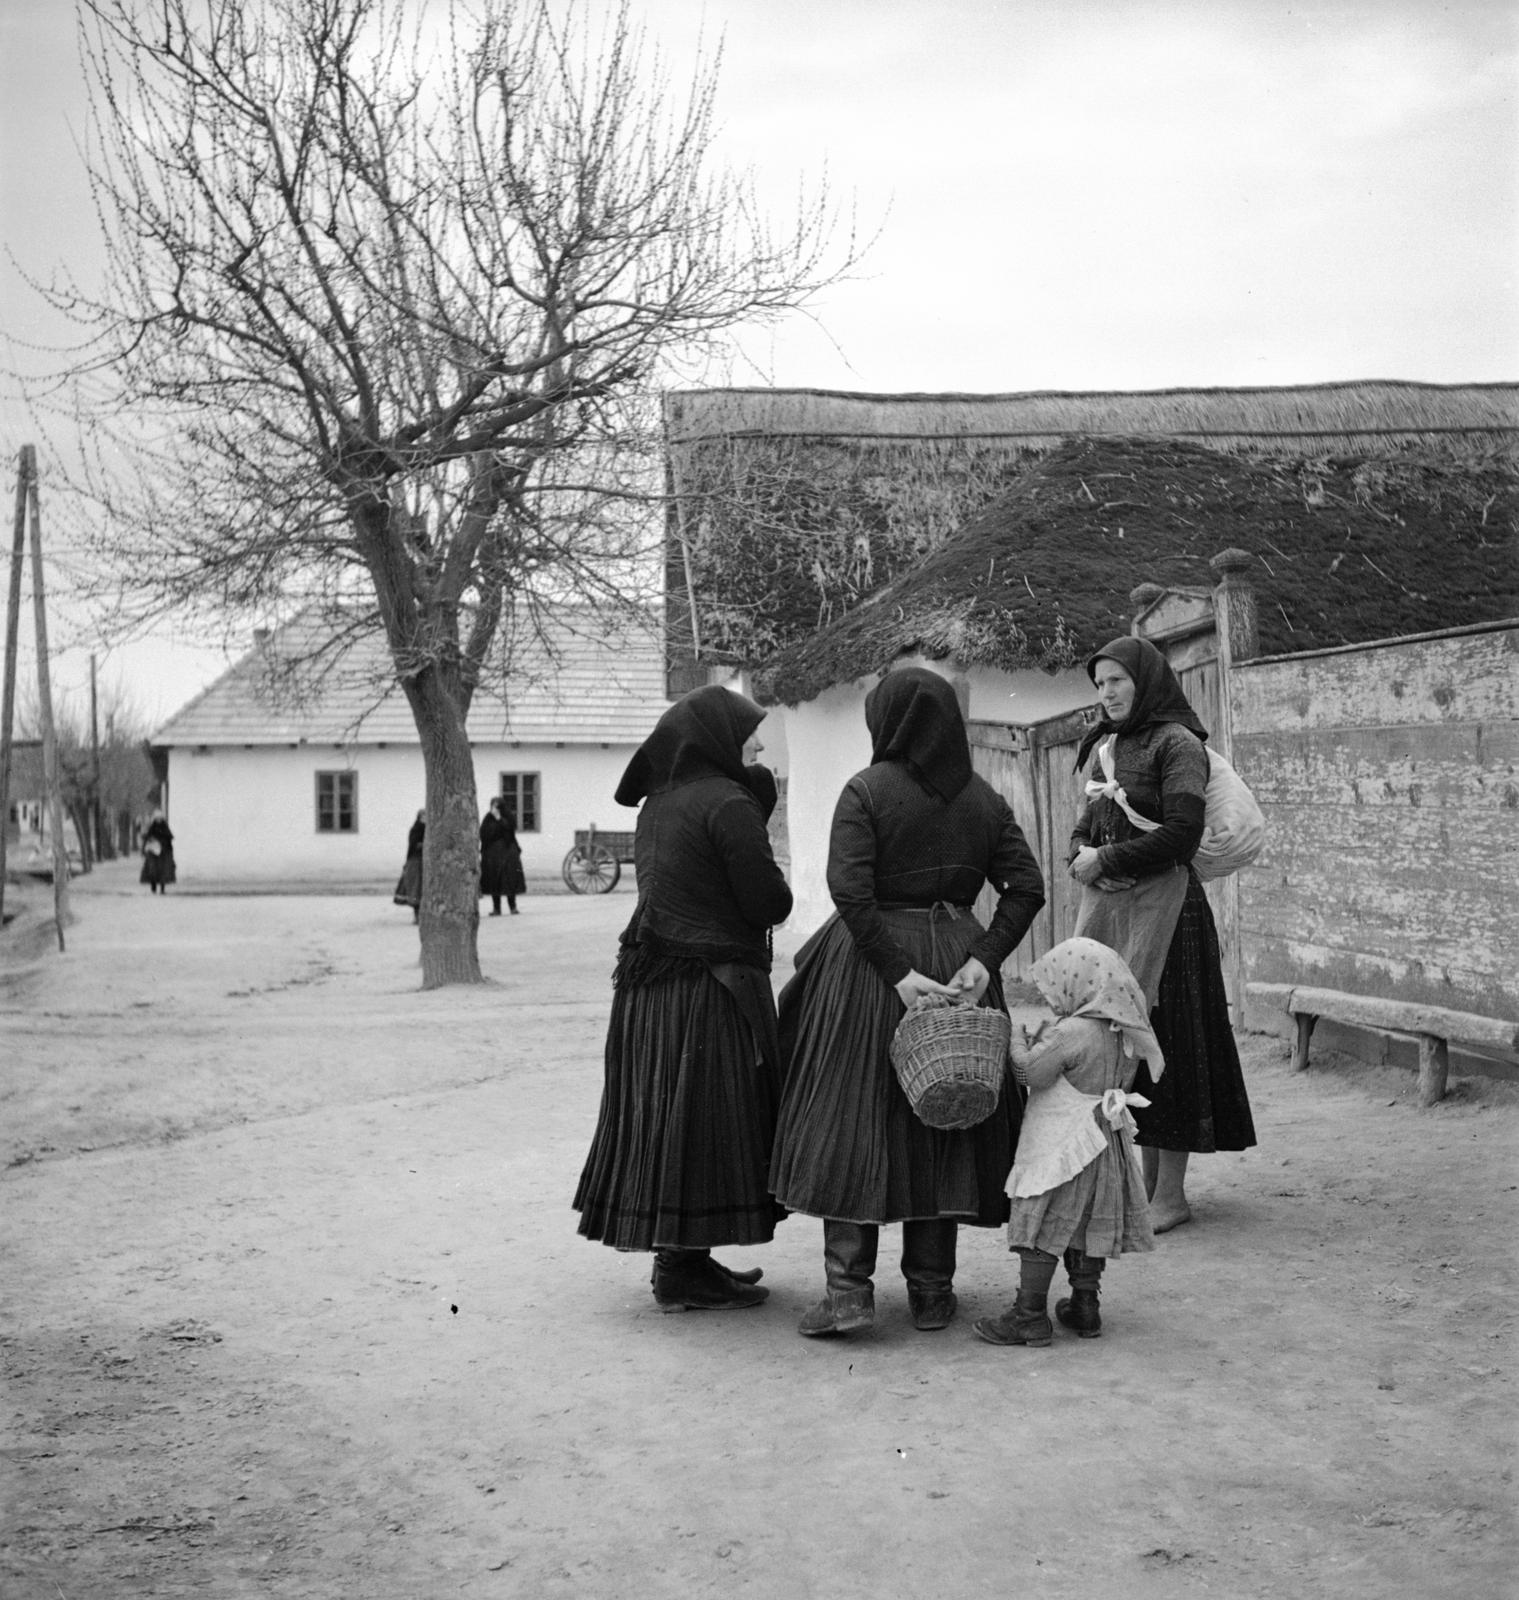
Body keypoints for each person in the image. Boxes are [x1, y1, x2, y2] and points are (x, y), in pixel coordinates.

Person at [769, 666, 1046, 1338]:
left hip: (870, 971)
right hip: (956, 965)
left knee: (852, 1116)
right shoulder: (982, 799)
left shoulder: (865, 790)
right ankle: (930, 1292)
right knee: (941, 1119)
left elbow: (849, 892)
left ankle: (847, 1294)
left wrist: (895, 973)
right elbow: (1026, 887)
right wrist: (982, 959)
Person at [573, 685, 794, 1312]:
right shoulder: (727, 802)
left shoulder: (657, 803)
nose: (756, 745)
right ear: (719, 738)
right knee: (704, 1122)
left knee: (674, 1122)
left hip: (651, 998)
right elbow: (769, 902)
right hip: (709, 988)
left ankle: (685, 1264)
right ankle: (680, 1272)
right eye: (749, 733)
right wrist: (760, 814)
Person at [1068, 635, 1257, 1233]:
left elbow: (1180, 834)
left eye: (1117, 680)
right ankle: (1145, 1186)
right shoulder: (1107, 746)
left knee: (1166, 1042)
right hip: (1116, 916)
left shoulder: (1178, 745)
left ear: (1144, 681)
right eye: (1099, 684)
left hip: (1171, 918)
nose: (1107, 692)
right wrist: (1081, 854)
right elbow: (1083, 828)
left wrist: (1109, 862)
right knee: (1121, 1041)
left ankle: (1170, 1194)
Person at [974, 937, 1159, 1348]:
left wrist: (1019, 1041)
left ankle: (1029, 1315)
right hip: (1103, 1146)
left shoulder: (1072, 1032)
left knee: (1044, 1222)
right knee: (1087, 1223)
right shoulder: (1125, 1032)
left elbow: (1030, 1074)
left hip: (1063, 1146)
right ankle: (1085, 1304)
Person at [479, 798, 525, 915]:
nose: (494, 809)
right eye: (493, 806)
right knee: (494, 880)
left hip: (508, 852)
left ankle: (512, 906)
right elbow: (484, 833)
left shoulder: (508, 817)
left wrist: (499, 818)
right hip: (492, 855)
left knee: (509, 878)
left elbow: (510, 830)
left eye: (497, 806)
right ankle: (496, 908)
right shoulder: (488, 818)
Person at [393, 810, 425, 923]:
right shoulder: (416, 829)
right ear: (419, 817)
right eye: (423, 816)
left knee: (423, 890)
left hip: (425, 864)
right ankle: (417, 916)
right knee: (416, 890)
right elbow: (414, 845)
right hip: (416, 863)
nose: (425, 818)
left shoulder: (430, 829)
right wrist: (425, 844)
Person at [140, 810, 176, 894]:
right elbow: (147, 838)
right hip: (153, 853)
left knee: (163, 871)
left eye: (160, 818)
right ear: (155, 819)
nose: (159, 820)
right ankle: (153, 886)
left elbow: (169, 839)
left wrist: (164, 845)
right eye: (157, 818)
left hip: (164, 854)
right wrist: (150, 842)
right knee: (153, 871)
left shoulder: (165, 828)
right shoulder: (152, 828)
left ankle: (162, 888)